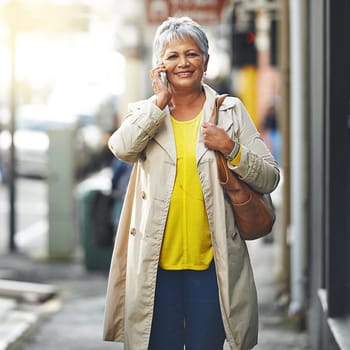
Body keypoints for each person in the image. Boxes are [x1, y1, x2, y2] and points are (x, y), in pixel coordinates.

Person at [103, 17, 280, 350]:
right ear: (160, 66)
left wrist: (230, 147)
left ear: (206, 61)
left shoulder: (230, 112)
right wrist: (158, 102)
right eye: (172, 56)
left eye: (192, 54)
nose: (183, 63)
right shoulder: (144, 113)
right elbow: (121, 148)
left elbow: (270, 176)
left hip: (212, 266)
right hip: (156, 268)